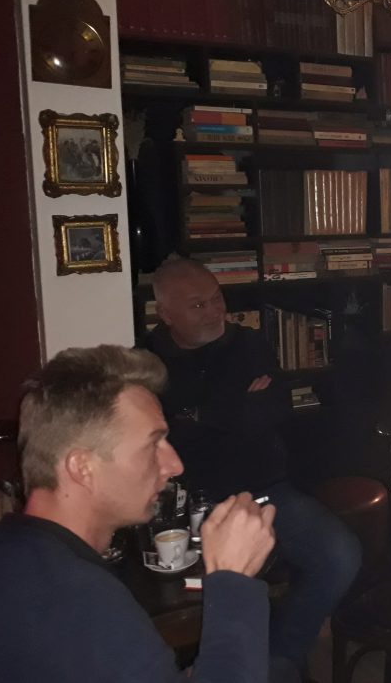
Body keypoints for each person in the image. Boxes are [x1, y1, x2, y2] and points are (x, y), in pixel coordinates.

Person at [0, 345, 277, 682]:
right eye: (153, 445)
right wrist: (234, 578)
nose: (175, 465)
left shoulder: (14, 551)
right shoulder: (78, 599)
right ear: (83, 467)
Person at [143, 257, 362, 677]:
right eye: (197, 305)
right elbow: (172, 431)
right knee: (182, 591)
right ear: (166, 314)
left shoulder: (248, 342)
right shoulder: (148, 362)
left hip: (264, 488)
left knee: (340, 555)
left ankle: (278, 659)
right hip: (187, 498)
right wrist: (232, 409)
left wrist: (198, 414)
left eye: (216, 298)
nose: (214, 311)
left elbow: (271, 411)